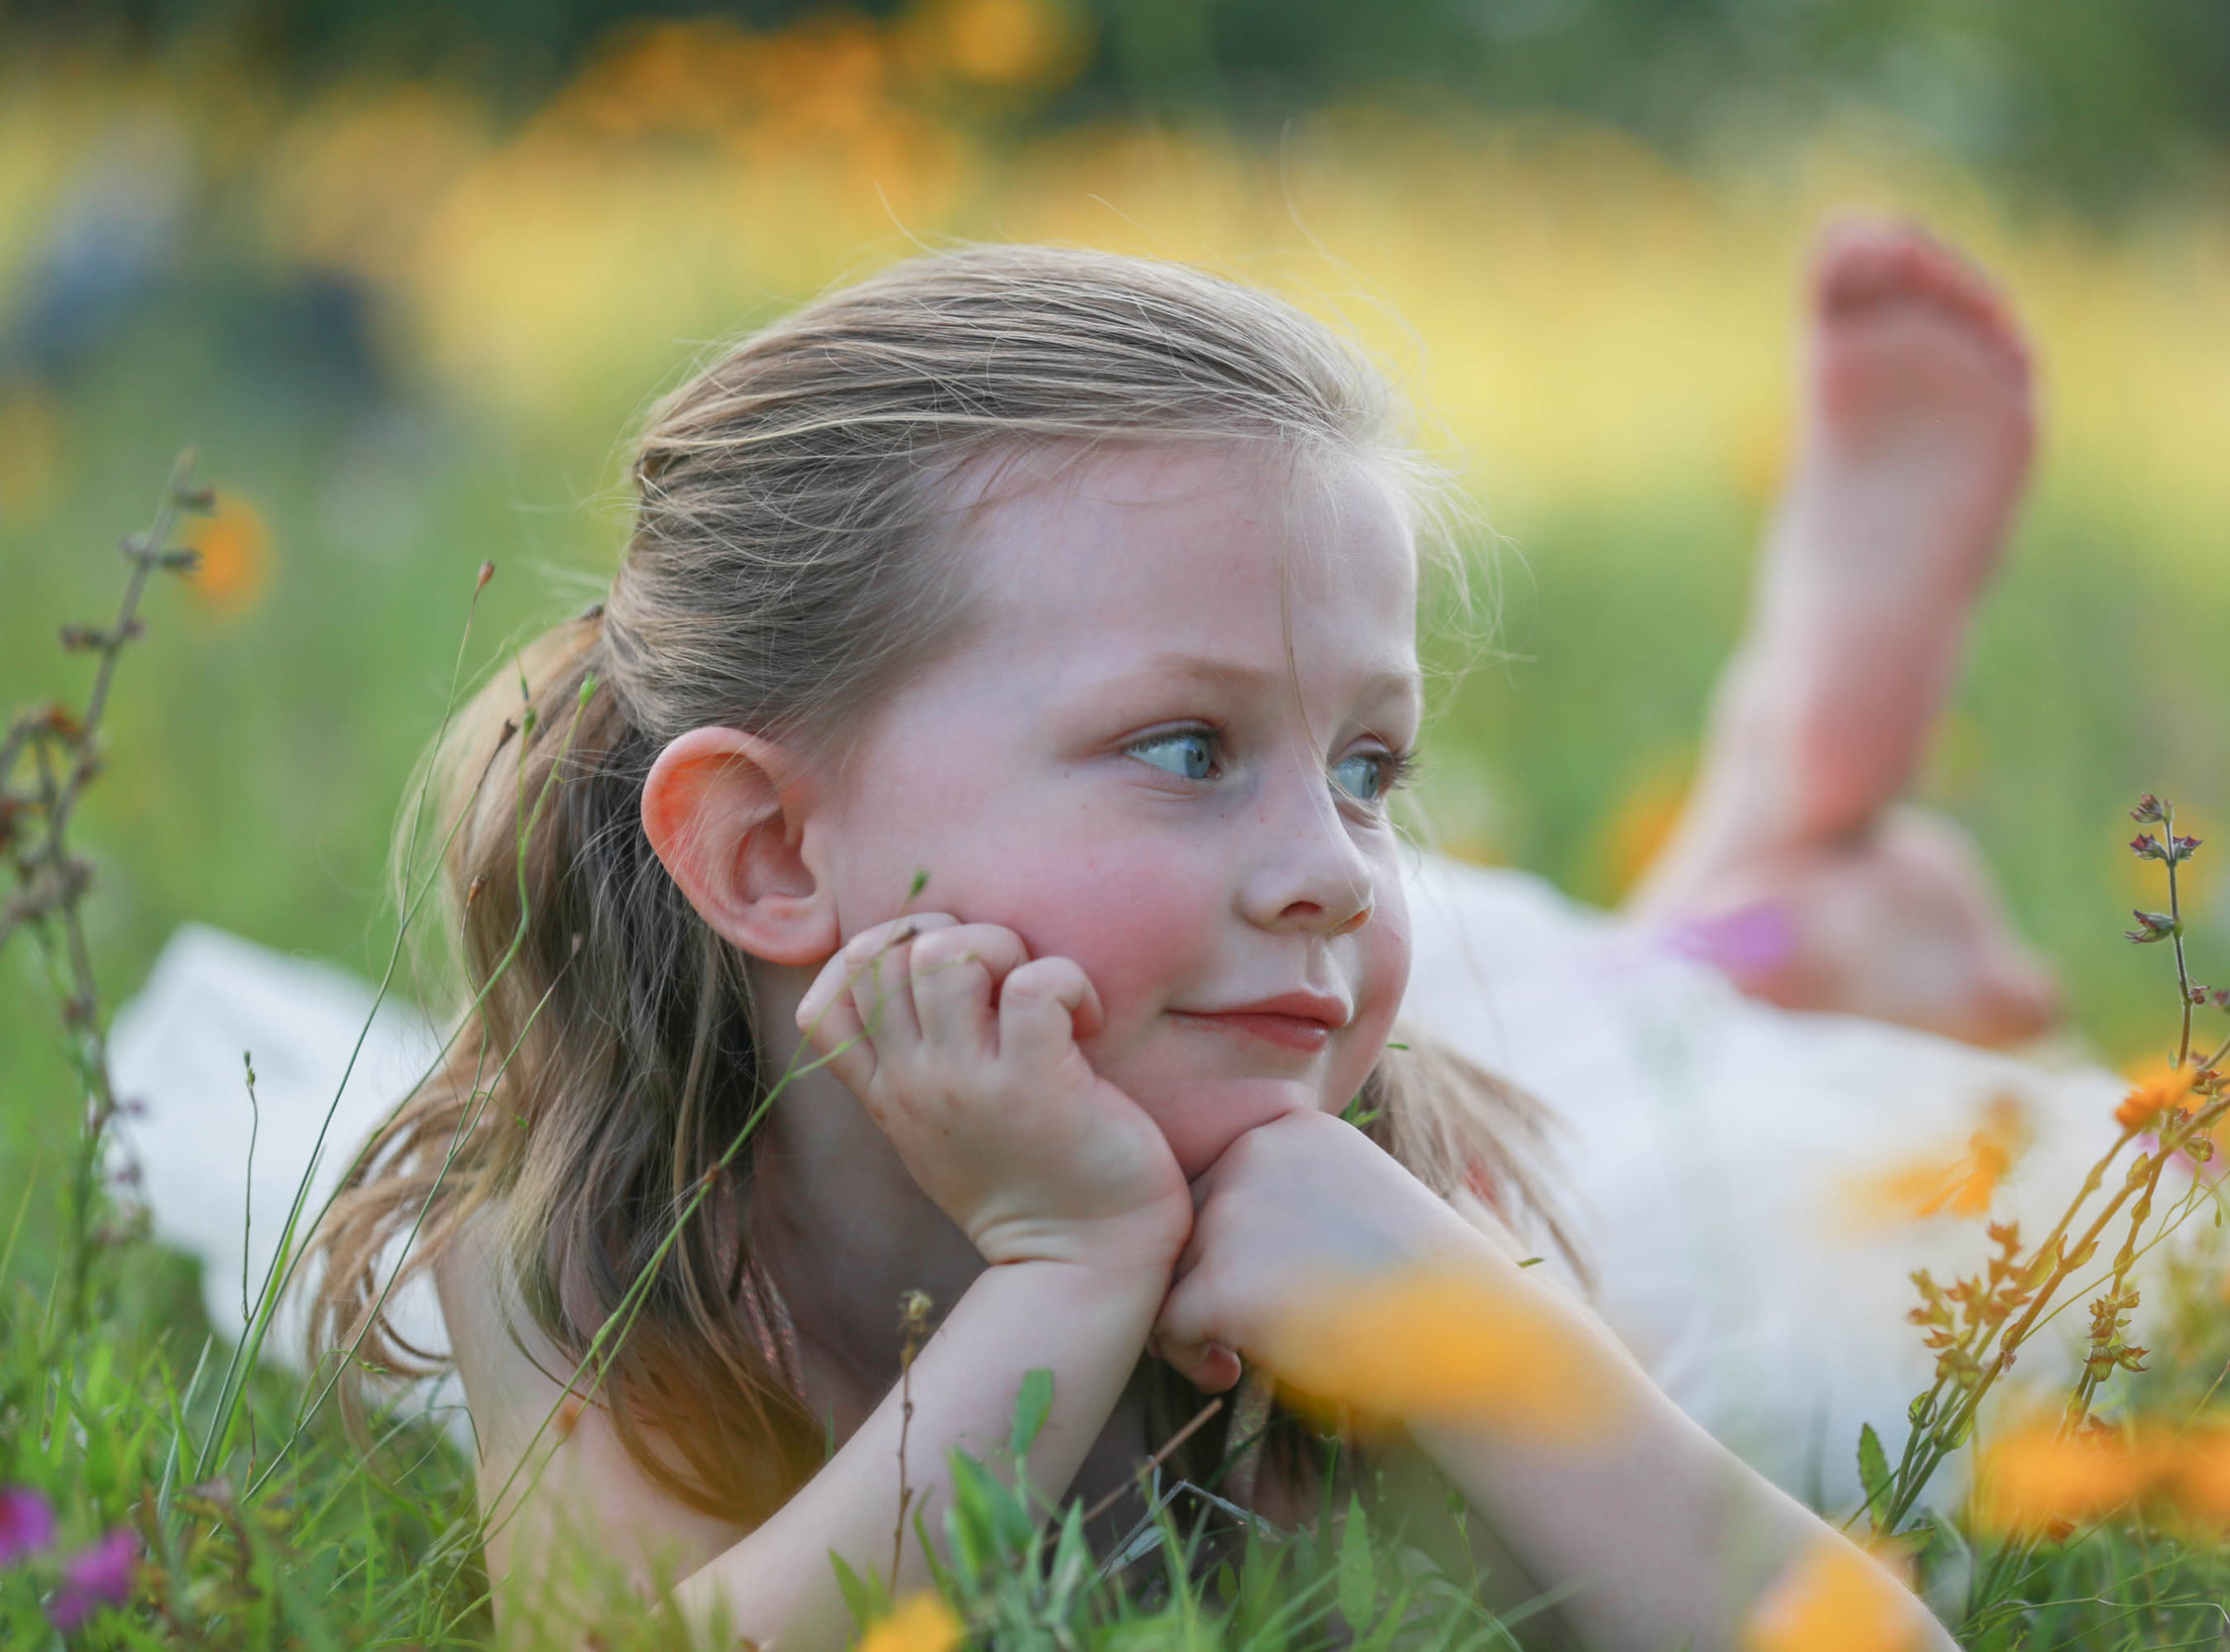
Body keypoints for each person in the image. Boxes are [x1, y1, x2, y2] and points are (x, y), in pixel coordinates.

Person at [296, 241, 1967, 1649]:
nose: (1334, 868)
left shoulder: (1377, 1187)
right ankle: (1766, 844)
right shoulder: (589, 1246)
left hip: (1451, 1066)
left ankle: (1765, 832)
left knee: (1678, 1047)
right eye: (1186, 747)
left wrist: (1471, 1323)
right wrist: (1067, 1270)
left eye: (1370, 767)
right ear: (773, 849)